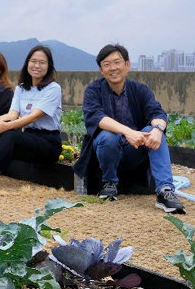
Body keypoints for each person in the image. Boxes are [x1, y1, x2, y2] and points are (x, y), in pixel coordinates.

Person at [73, 44, 185, 213]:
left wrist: (158, 130)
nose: (113, 68)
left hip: (133, 151)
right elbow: (97, 118)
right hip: (104, 154)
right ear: (101, 70)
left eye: (117, 62)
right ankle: (109, 182)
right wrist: (128, 132)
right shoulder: (93, 90)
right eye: (106, 64)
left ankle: (165, 191)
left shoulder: (140, 90)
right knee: (108, 136)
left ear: (127, 65)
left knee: (153, 132)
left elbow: (157, 112)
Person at [0, 45, 62, 185]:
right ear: (27, 63)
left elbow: (34, 117)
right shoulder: (21, 88)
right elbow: (13, 114)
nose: (36, 65)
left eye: (42, 62)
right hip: (28, 139)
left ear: (49, 66)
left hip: (48, 144)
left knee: (9, 134)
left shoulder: (53, 89)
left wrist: (6, 126)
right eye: (33, 61)